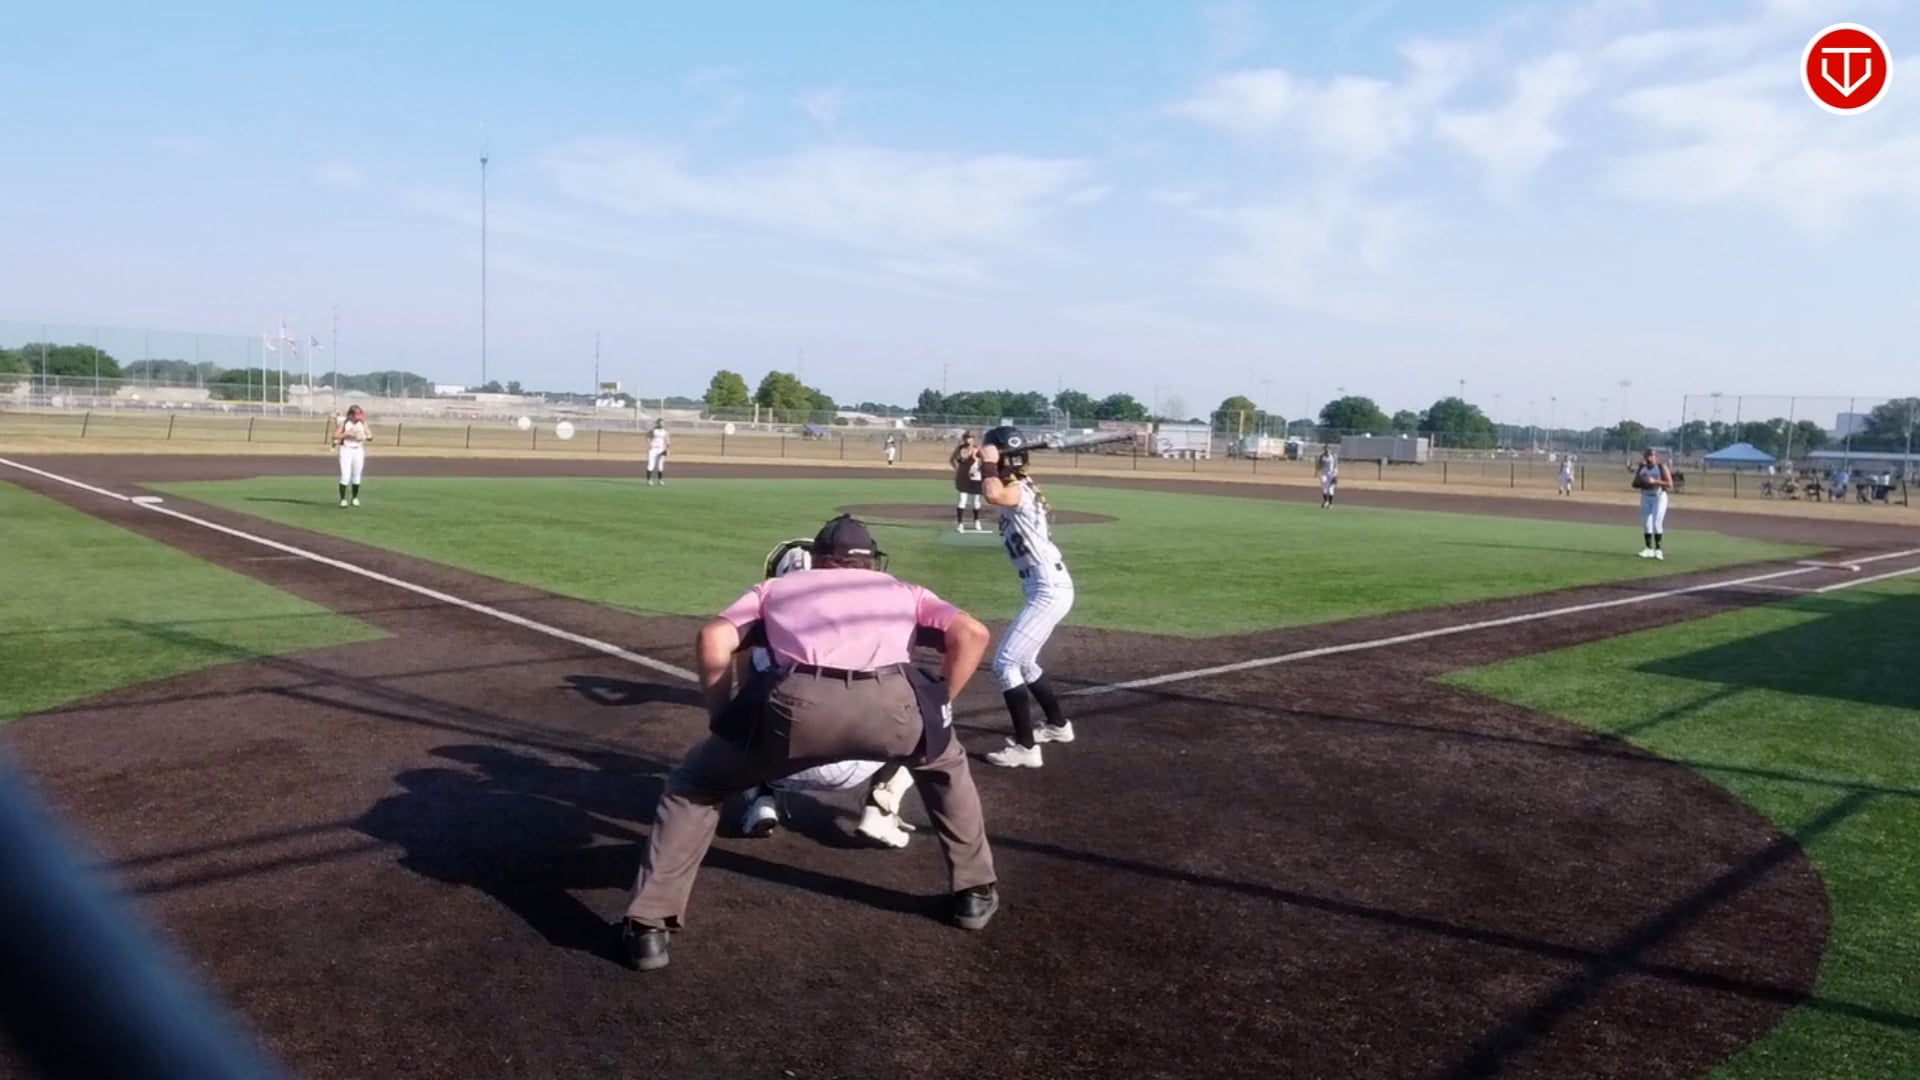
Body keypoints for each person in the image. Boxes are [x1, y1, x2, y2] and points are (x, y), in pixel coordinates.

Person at [622, 515, 1000, 971]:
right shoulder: (906, 591)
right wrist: (938, 705)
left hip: (798, 710)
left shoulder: (776, 589)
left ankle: (649, 926)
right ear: (871, 560)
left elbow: (713, 638)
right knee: (944, 766)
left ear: (818, 558)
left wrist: (724, 720)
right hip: (895, 707)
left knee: (695, 785)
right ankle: (974, 891)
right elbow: (973, 634)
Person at [736, 536, 920, 849]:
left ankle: (761, 800)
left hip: (779, 766)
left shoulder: (757, 646)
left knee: (740, 715)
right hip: (859, 759)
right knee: (925, 711)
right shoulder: (876, 631)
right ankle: (880, 807)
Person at [975, 426, 1077, 769]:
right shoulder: (1013, 483)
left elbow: (992, 493)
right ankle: (1058, 726)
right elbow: (975, 485)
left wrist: (989, 462)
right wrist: (976, 460)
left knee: (1004, 664)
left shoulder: (1017, 489)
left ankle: (1026, 748)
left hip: (1048, 587)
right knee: (1026, 663)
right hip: (1044, 585)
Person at [1630, 448, 1674, 559]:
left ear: (1656, 457)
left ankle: (1658, 550)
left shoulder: (1661, 467)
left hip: (1659, 497)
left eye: (1652, 456)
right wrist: (1642, 481)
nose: (1649, 458)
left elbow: (1669, 484)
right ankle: (1648, 549)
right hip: (1645, 496)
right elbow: (1634, 484)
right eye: (1647, 455)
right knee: (1646, 523)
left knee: (1657, 523)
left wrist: (1655, 481)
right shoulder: (1642, 468)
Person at [330, 405, 372, 508]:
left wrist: (364, 437)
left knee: (357, 475)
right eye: (356, 415)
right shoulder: (344, 423)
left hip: (358, 450)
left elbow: (370, 436)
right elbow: (335, 436)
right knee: (345, 476)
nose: (358, 418)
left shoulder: (362, 423)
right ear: (350, 415)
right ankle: (343, 499)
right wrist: (347, 434)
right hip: (346, 450)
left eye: (359, 415)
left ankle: (355, 498)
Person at [950, 432, 986, 532]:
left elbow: (984, 462)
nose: (967, 440)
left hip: (975, 477)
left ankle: (976, 520)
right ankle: (960, 523)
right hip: (963, 478)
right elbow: (952, 460)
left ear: (973, 439)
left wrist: (978, 467)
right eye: (966, 438)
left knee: (975, 501)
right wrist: (957, 469)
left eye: (969, 438)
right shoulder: (960, 448)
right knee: (962, 499)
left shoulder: (977, 449)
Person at [646, 420, 669, 486]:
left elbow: (667, 440)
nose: (661, 424)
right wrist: (649, 444)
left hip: (661, 449)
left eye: (662, 423)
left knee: (660, 465)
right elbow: (647, 437)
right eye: (660, 423)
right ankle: (649, 480)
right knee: (651, 465)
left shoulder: (665, 431)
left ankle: (660, 480)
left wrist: (667, 449)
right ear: (657, 423)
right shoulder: (653, 430)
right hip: (653, 449)